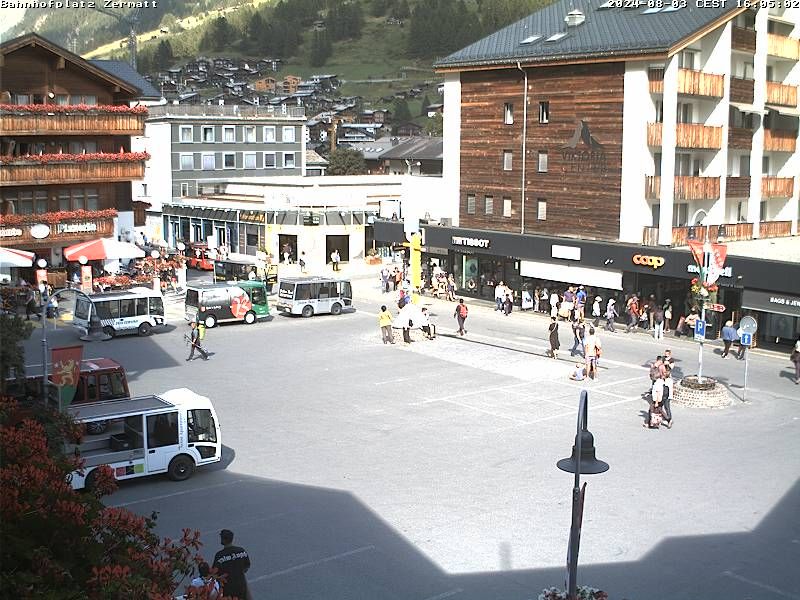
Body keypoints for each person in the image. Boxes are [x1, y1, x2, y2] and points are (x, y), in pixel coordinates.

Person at [212, 529, 250, 600]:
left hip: (228, 588)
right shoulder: (241, 551)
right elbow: (247, 566)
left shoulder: (219, 555)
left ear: (224, 539)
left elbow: (214, 572)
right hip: (241, 585)